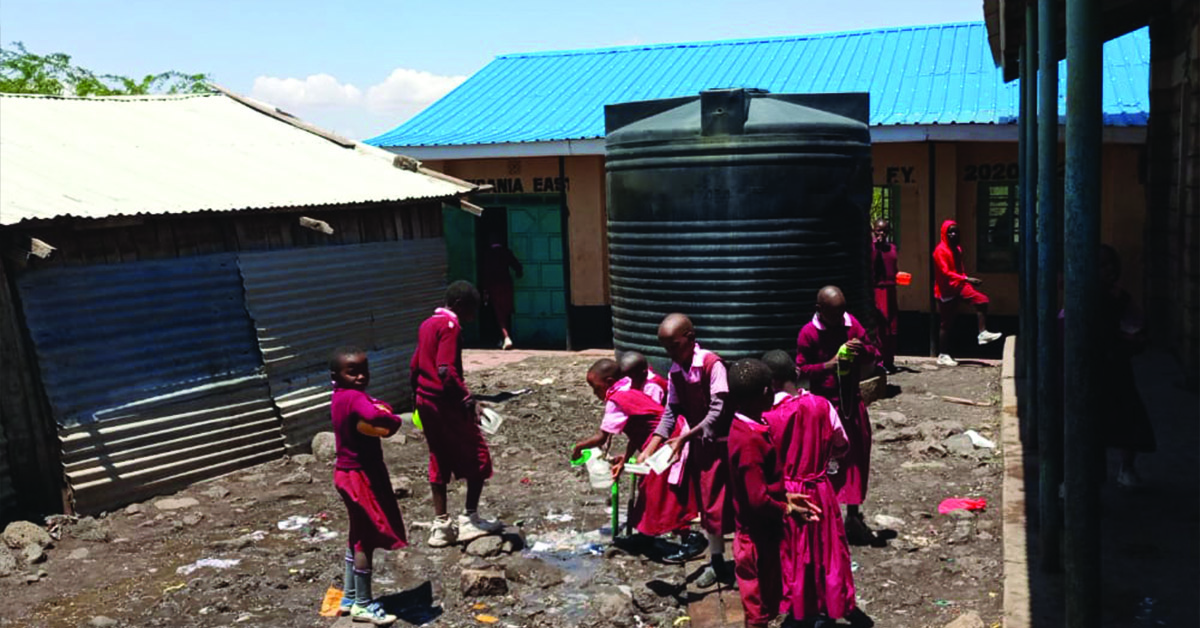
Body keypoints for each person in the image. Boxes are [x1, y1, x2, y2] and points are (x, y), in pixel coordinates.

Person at [762, 351, 873, 628]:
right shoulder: (821, 405)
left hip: (786, 493)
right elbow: (841, 444)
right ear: (796, 375)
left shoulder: (767, 416)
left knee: (794, 553)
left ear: (769, 383)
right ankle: (827, 607)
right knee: (827, 550)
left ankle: (800, 611)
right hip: (820, 488)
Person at [570, 357, 704, 559]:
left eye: (594, 387)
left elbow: (601, 437)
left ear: (607, 382)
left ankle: (690, 539)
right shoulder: (626, 388)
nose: (594, 393)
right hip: (661, 437)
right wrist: (625, 458)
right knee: (649, 489)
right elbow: (637, 429)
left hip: (668, 440)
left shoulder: (615, 400)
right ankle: (646, 535)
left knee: (665, 492)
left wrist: (579, 447)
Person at [724, 358, 822, 628]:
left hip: (759, 533)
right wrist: (788, 510)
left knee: (764, 601)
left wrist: (786, 498)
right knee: (758, 610)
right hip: (755, 540)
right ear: (767, 391)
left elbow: (754, 489)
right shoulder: (750, 442)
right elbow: (757, 499)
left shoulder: (745, 426)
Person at [637, 313, 734, 587]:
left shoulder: (711, 365)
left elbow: (718, 411)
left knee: (735, 503)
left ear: (691, 339)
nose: (671, 353)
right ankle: (717, 560)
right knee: (709, 506)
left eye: (674, 346)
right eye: (666, 348)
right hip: (702, 447)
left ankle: (751, 560)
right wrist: (650, 449)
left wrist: (685, 437)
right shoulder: (677, 369)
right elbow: (670, 413)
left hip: (725, 445)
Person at [410, 280, 504, 548]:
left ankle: (441, 525)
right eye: (472, 310)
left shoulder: (427, 324)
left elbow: (415, 364)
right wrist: (468, 399)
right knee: (478, 454)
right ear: (460, 305)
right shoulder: (450, 327)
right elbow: (445, 370)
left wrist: (416, 399)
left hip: (426, 401)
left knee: (438, 456)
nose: (474, 317)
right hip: (445, 402)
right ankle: (470, 519)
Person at [795, 286, 878, 546]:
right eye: (834, 313)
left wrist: (861, 351)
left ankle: (853, 515)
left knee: (855, 459)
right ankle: (826, 518)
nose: (840, 318)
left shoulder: (850, 323)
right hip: (824, 408)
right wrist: (827, 366)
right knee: (825, 464)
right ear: (820, 311)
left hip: (850, 404)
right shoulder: (809, 333)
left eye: (843, 311)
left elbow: (874, 353)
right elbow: (800, 370)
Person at [329, 346, 405, 625]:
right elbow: (373, 416)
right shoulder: (354, 398)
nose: (361, 377)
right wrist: (393, 420)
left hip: (345, 474)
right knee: (366, 540)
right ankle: (363, 603)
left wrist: (379, 408)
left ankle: (349, 597)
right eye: (353, 372)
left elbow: (372, 410)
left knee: (356, 534)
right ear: (337, 374)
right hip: (360, 476)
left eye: (364, 371)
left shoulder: (339, 397)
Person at [933, 219, 1003, 366]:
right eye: (950, 232)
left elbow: (960, 268)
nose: (953, 234)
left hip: (959, 286)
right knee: (946, 323)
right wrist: (967, 279)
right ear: (944, 234)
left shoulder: (957, 249)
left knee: (981, 300)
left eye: (956, 232)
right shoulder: (940, 251)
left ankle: (982, 333)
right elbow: (946, 272)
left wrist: (965, 281)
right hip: (946, 290)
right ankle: (943, 354)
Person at [479, 232, 523, 350]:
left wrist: (485, 290)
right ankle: (505, 337)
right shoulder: (506, 252)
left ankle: (506, 337)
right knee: (507, 310)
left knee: (499, 313)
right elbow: (517, 266)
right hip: (506, 284)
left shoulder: (488, 254)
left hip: (494, 286)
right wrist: (519, 273)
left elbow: (485, 273)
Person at [871, 219, 900, 374]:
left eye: (884, 231)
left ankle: (890, 360)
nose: (881, 234)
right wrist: (877, 247)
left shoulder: (892, 248)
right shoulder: (871, 249)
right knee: (880, 328)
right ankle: (879, 361)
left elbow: (893, 267)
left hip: (891, 290)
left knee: (892, 328)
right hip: (878, 290)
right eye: (878, 230)